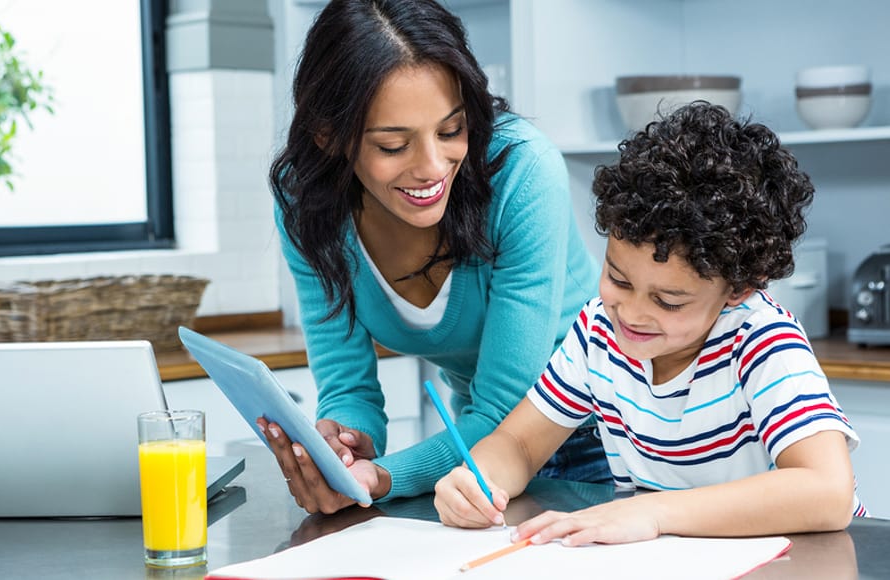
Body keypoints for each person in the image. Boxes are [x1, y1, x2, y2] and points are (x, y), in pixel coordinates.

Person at [434, 102, 868, 545]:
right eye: (618, 279)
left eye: (669, 300)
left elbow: (827, 490)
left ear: (738, 289)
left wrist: (652, 511)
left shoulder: (760, 341)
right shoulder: (598, 331)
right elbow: (520, 445)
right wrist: (478, 479)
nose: (632, 314)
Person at [262, 0, 608, 514]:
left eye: (451, 131)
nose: (432, 167)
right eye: (393, 145)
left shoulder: (522, 174)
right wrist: (342, 448)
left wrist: (381, 478)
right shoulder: (307, 201)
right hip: (476, 451)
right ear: (328, 136)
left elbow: (505, 410)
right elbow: (347, 383)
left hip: (600, 442)